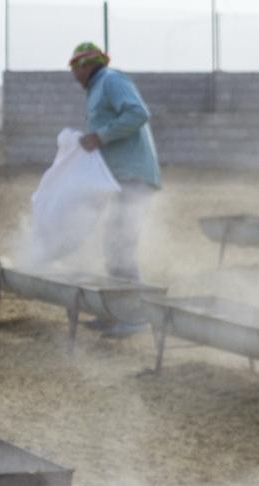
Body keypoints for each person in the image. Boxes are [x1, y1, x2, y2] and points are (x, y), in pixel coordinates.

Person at [69, 42, 161, 335]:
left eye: (74, 68)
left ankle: (135, 316)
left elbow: (138, 113)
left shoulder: (111, 80)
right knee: (113, 242)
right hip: (121, 177)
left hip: (133, 176)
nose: (73, 74)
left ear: (85, 65)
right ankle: (116, 311)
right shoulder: (97, 89)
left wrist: (100, 136)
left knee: (121, 244)